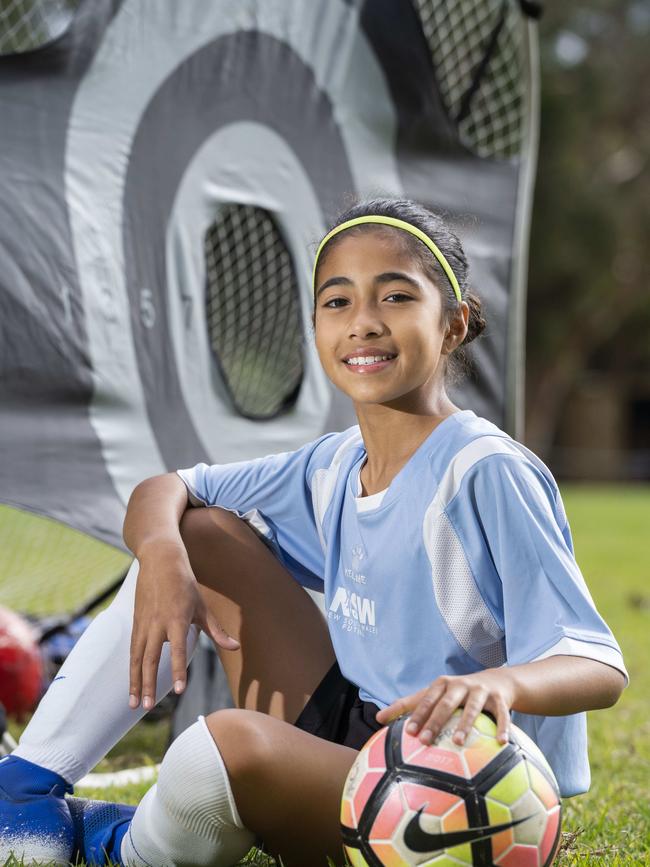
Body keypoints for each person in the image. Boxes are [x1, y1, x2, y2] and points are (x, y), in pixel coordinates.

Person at [0, 199, 627, 867]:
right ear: (316, 325)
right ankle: (23, 798)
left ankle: (119, 848)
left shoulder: (484, 471)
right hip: (360, 730)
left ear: (453, 324)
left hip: (460, 784)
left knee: (224, 746)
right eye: (338, 301)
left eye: (395, 295)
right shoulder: (334, 464)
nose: (364, 321)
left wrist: (502, 685)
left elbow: (597, 664)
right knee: (197, 534)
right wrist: (159, 553)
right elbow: (167, 489)